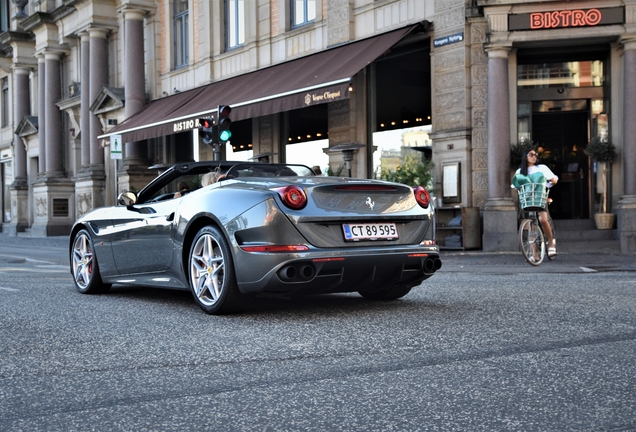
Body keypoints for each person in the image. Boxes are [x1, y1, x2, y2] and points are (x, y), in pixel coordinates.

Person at [513, 150, 559, 257]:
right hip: (528, 199)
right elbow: (515, 185)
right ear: (525, 157)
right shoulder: (520, 172)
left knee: (543, 219)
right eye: (531, 155)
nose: (534, 157)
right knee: (531, 225)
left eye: (535, 155)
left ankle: (551, 244)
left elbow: (553, 178)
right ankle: (535, 254)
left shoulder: (541, 168)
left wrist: (553, 180)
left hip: (539, 197)